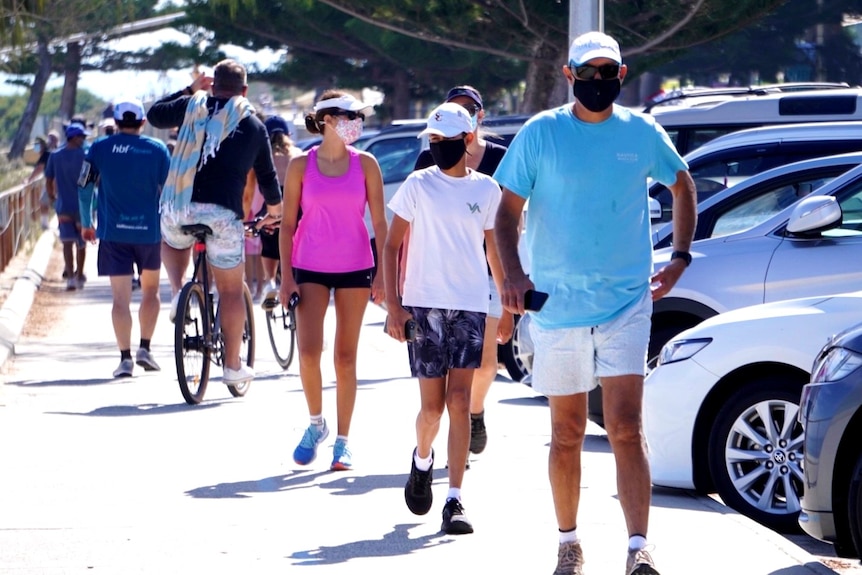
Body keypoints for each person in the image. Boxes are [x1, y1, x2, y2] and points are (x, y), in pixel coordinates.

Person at [492, 31, 697, 575]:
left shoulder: (641, 132)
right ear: (569, 75)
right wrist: (511, 278)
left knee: (626, 425)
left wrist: (679, 258)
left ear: (622, 75)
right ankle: (569, 542)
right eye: (589, 73)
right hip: (557, 306)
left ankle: (638, 549)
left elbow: (682, 184)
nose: (599, 82)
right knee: (567, 432)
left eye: (609, 73)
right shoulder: (541, 133)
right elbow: (504, 216)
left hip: (627, 300)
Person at [382, 102, 504, 535]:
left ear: (468, 139)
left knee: (459, 403)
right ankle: (422, 459)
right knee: (432, 408)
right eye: (433, 141)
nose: (438, 148)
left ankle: (454, 499)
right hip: (424, 304)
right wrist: (394, 306)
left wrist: (503, 304)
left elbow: (494, 250)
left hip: (469, 304)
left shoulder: (488, 189)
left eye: (446, 141)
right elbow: (392, 245)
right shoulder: (418, 185)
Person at [146, 58, 283, 386]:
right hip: (223, 215)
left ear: (212, 84)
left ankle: (179, 290)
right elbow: (267, 179)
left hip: (180, 206)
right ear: (244, 90)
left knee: (173, 237)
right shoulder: (252, 125)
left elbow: (154, 114)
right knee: (232, 291)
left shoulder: (193, 105)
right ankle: (233, 365)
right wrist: (275, 213)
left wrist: (191, 89)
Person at [278, 90, 387, 471]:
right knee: (309, 352)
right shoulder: (299, 166)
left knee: (345, 357)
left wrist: (385, 276)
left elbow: (380, 223)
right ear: (325, 119)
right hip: (309, 266)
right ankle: (315, 425)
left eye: (358, 116)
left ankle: (343, 442)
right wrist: (285, 277)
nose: (355, 122)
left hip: (356, 267)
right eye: (348, 115)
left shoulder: (368, 164)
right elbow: (288, 224)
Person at [412, 85, 514, 459]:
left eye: (469, 109)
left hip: (488, 270)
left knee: (487, 363)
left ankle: (474, 410)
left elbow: (509, 219)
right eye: (453, 108)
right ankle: (457, 427)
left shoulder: (501, 158)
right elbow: (411, 225)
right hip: (440, 280)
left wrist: (511, 285)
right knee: (441, 391)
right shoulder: (428, 160)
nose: (460, 114)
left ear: (479, 118)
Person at [77, 98, 172, 378]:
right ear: (143, 121)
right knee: (151, 292)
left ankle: (125, 359)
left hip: (113, 234)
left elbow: (83, 187)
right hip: (149, 233)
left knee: (120, 299)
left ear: (116, 123)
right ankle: (145, 347)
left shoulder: (99, 148)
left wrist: (86, 223)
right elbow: (168, 190)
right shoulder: (157, 149)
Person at [260, 114, 302, 305]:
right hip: (298, 204)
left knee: (269, 243)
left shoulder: (264, 156)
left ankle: (269, 282)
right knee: (297, 242)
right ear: (288, 133)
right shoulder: (298, 153)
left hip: (273, 204)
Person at [45, 122, 89, 291]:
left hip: (63, 205)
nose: (83, 140)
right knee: (81, 243)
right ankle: (79, 275)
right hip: (81, 206)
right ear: (75, 137)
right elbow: (90, 180)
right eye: (82, 137)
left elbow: (48, 179)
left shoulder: (55, 156)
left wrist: (51, 197)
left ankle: (70, 277)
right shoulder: (84, 156)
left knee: (67, 243)